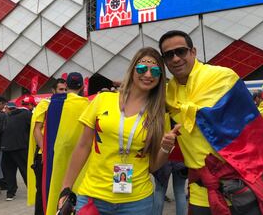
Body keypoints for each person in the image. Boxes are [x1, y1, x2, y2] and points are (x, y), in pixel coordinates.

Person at [159, 30, 263, 215]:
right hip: (200, 190)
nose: (176, 59)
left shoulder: (223, 78)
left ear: (193, 52)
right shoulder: (167, 94)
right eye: (168, 55)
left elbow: (253, 124)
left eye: (181, 51)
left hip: (239, 182)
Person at [58, 47, 178, 215]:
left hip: (137, 202)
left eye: (155, 71)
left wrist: (166, 148)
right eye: (142, 68)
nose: (148, 75)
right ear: (132, 70)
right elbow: (83, 146)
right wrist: (66, 187)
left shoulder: (159, 113)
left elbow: (152, 166)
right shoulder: (103, 99)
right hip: (92, 195)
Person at [42, 73, 89, 215]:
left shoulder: (53, 103)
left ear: (66, 85)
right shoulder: (88, 104)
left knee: (56, 187)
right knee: (78, 189)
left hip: (58, 155)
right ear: (82, 86)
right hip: (81, 156)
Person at [27, 78, 67, 215]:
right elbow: (36, 129)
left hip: (60, 155)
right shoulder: (45, 104)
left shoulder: (69, 104)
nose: (64, 92)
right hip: (44, 155)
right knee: (43, 191)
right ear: (53, 90)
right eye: (61, 89)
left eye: (66, 89)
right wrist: (45, 151)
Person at [1, 100, 34, 201]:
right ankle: (31, 190)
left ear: (7, 108)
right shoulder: (26, 115)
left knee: (10, 172)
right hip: (19, 147)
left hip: (8, 148)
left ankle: (11, 193)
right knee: (24, 170)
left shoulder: (6, 116)